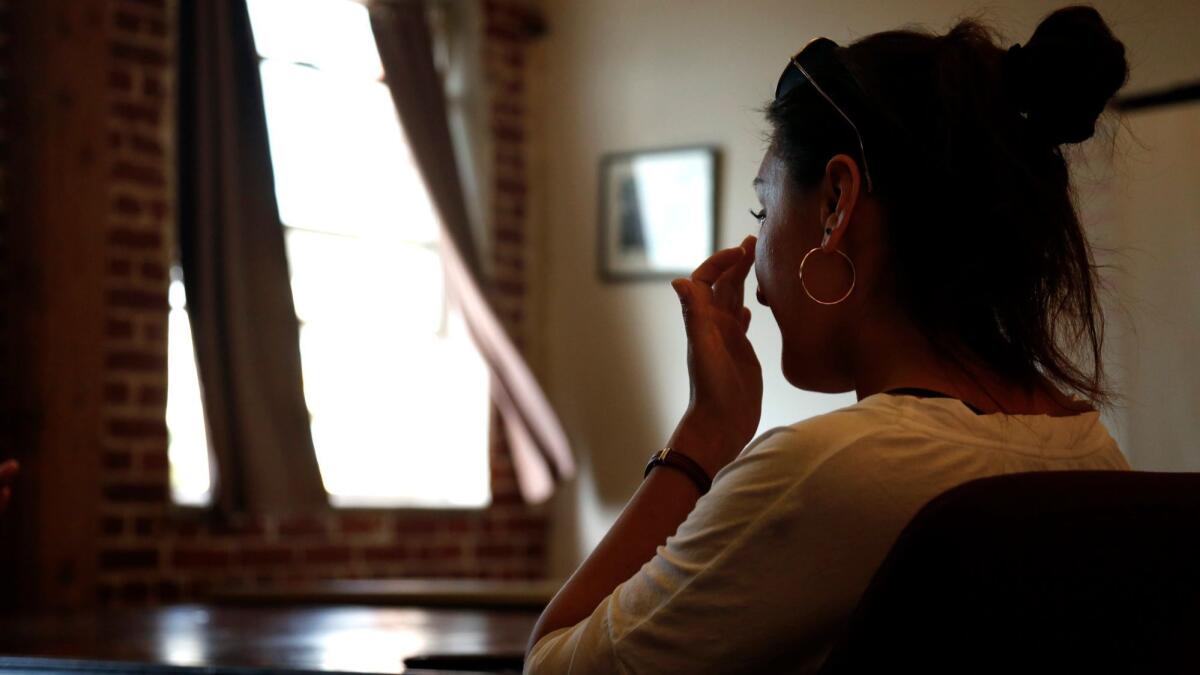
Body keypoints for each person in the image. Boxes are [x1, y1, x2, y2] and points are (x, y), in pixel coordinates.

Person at [525, 5, 1131, 674]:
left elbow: (554, 663)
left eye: (764, 206)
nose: (754, 272)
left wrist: (704, 434)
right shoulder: (1098, 458)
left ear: (837, 202)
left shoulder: (831, 470)